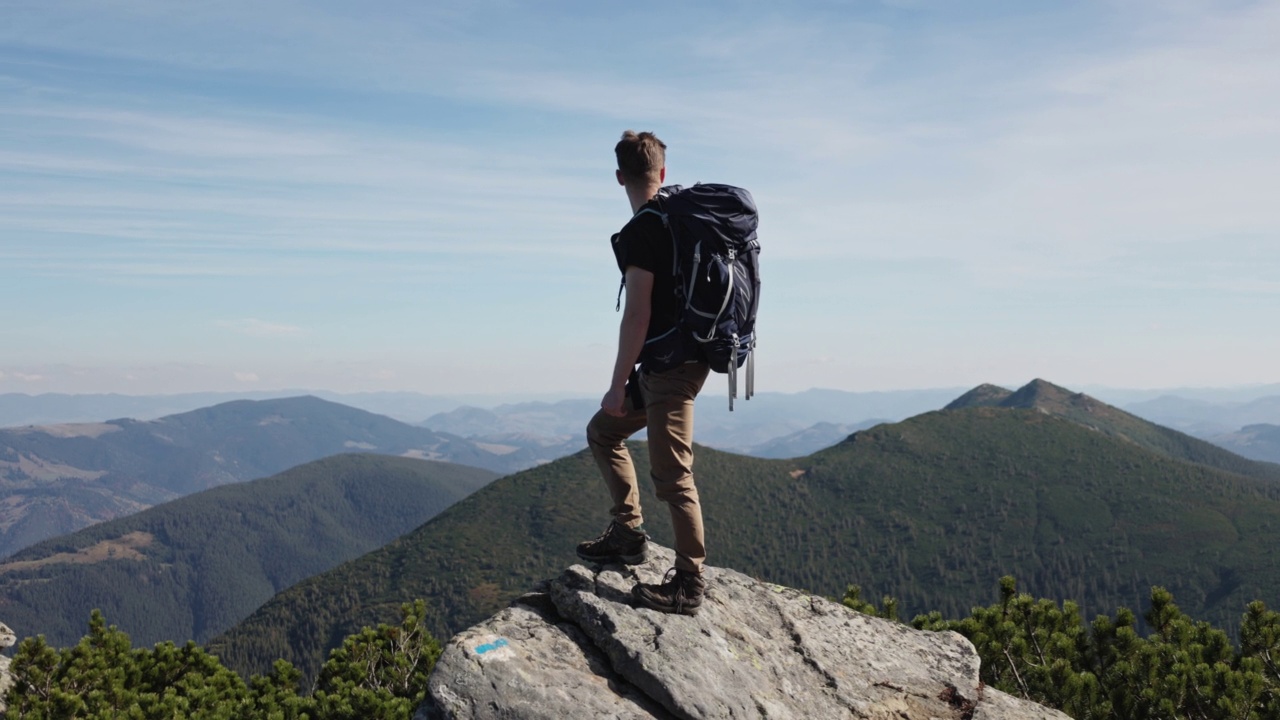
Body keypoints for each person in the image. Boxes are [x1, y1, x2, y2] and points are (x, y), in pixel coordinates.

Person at [576, 130, 711, 617]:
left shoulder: (643, 232)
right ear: (663, 172)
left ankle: (690, 585)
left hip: (671, 368)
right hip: (678, 359)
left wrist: (617, 384)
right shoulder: (681, 219)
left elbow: (637, 313)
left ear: (619, 178)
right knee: (603, 431)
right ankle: (628, 534)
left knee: (674, 477)